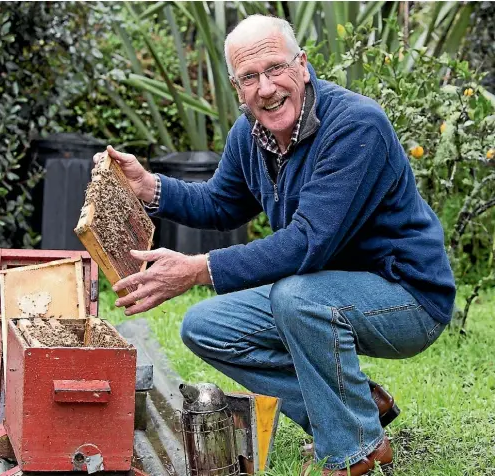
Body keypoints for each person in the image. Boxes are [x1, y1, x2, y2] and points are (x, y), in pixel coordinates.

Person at [93, 15, 455, 476]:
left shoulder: (355, 126)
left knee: (296, 295)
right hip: (323, 292)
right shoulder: (251, 135)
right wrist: (152, 188)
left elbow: (308, 243)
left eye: (275, 68)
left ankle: (354, 450)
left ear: (302, 66)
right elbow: (221, 204)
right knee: (205, 325)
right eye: (249, 77)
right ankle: (357, 407)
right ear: (236, 87)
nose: (265, 87)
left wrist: (197, 268)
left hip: (406, 297)